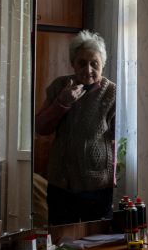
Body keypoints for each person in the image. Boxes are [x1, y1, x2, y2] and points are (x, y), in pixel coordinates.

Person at [35, 30, 116, 225]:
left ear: (102, 64)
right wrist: (62, 103)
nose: (88, 69)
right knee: (62, 244)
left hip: (97, 186)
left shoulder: (111, 93)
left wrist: (113, 175)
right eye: (82, 63)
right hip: (61, 185)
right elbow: (41, 127)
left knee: (96, 245)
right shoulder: (59, 87)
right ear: (73, 63)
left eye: (94, 63)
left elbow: (120, 139)